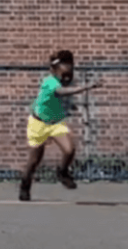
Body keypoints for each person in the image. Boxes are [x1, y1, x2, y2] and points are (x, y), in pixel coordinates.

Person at [19, 49, 101, 202]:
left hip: (55, 122)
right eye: (65, 64)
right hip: (38, 124)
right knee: (34, 160)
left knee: (69, 149)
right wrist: (86, 87)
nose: (69, 67)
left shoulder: (64, 78)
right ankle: (25, 185)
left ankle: (62, 172)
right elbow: (62, 92)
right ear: (56, 67)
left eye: (70, 64)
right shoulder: (49, 81)